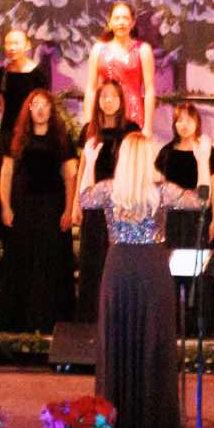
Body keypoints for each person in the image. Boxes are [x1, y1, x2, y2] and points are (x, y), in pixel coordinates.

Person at [80, 132, 193, 428]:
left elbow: (84, 197)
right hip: (152, 268)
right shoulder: (162, 191)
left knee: (116, 338)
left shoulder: (109, 189)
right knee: (153, 337)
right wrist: (202, 161)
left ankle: (114, 418)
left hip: (119, 267)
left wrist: (89, 161)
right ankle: (152, 420)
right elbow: (200, 201)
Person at [0, 88, 78, 334]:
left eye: (45, 104)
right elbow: (6, 174)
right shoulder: (16, 139)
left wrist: (68, 209)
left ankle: (51, 320)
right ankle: (19, 322)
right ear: (29, 109)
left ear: (52, 109)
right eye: (36, 105)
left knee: (51, 263)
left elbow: (70, 176)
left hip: (52, 209)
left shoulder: (61, 140)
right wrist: (5, 206)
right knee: (22, 262)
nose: (41, 109)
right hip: (23, 208)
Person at [156, 101, 214, 336]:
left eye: (189, 119)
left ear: (197, 122)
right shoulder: (166, 152)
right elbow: (161, 191)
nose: (183, 124)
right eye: (179, 120)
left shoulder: (207, 151)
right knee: (173, 270)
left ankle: (202, 323)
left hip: (199, 219)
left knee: (201, 269)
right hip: (174, 220)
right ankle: (174, 321)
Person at [75, 79, 140, 323]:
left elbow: (136, 166)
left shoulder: (131, 129)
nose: (108, 101)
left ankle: (119, 311)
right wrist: (76, 203)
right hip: (95, 203)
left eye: (113, 96)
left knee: (118, 257)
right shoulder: (89, 130)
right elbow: (83, 167)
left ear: (121, 100)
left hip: (122, 203)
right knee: (93, 257)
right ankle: (91, 314)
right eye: (104, 96)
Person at [85, 0, 157, 130]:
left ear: (132, 23)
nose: (121, 22)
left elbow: (149, 90)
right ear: (110, 22)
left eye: (125, 18)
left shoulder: (143, 50)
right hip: (105, 113)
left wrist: (148, 127)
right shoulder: (98, 49)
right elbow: (91, 88)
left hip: (133, 114)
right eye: (117, 18)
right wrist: (89, 123)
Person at [0, 27, 50, 155]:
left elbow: (44, 102)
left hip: (31, 128)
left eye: (16, 43)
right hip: (8, 128)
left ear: (27, 45)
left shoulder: (38, 73)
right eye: (8, 43)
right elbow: (2, 103)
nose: (12, 48)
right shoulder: (3, 72)